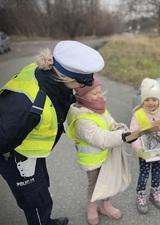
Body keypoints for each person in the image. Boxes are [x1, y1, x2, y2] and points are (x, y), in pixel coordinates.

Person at [0, 40, 105, 225]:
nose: (84, 86)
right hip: (15, 156)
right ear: (65, 78)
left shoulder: (46, 71)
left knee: (42, 186)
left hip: (32, 150)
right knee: (36, 200)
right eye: (83, 82)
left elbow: (58, 95)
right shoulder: (29, 107)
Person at [65, 76, 134, 225]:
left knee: (107, 180)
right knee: (95, 184)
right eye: (95, 93)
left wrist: (121, 129)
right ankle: (91, 207)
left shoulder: (98, 107)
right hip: (93, 159)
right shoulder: (82, 119)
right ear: (82, 96)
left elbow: (110, 123)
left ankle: (105, 205)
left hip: (106, 154)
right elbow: (100, 138)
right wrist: (121, 136)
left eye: (100, 92)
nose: (100, 96)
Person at [129, 78, 160, 214]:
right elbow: (133, 134)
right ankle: (141, 196)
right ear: (142, 100)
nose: (151, 103)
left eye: (154, 99)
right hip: (144, 152)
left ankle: (154, 193)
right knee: (144, 174)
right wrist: (139, 149)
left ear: (158, 99)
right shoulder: (138, 114)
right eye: (147, 99)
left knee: (157, 173)